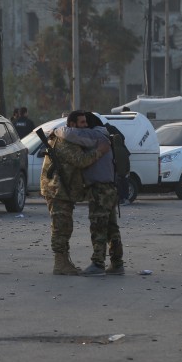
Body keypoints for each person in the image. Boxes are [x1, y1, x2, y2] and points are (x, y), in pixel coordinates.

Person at [40, 110, 110, 275]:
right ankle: (60, 263)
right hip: (58, 190)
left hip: (63, 190)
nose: (85, 126)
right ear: (72, 125)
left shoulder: (68, 137)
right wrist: (100, 150)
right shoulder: (65, 141)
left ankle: (64, 261)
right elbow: (81, 161)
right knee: (61, 227)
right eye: (82, 123)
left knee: (65, 226)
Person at [57, 112, 125, 276]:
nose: (84, 125)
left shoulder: (94, 134)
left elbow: (68, 133)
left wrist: (56, 131)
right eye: (82, 122)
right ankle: (117, 263)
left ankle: (98, 263)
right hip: (109, 187)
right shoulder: (103, 134)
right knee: (111, 228)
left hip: (99, 189)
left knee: (98, 226)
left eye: (86, 122)